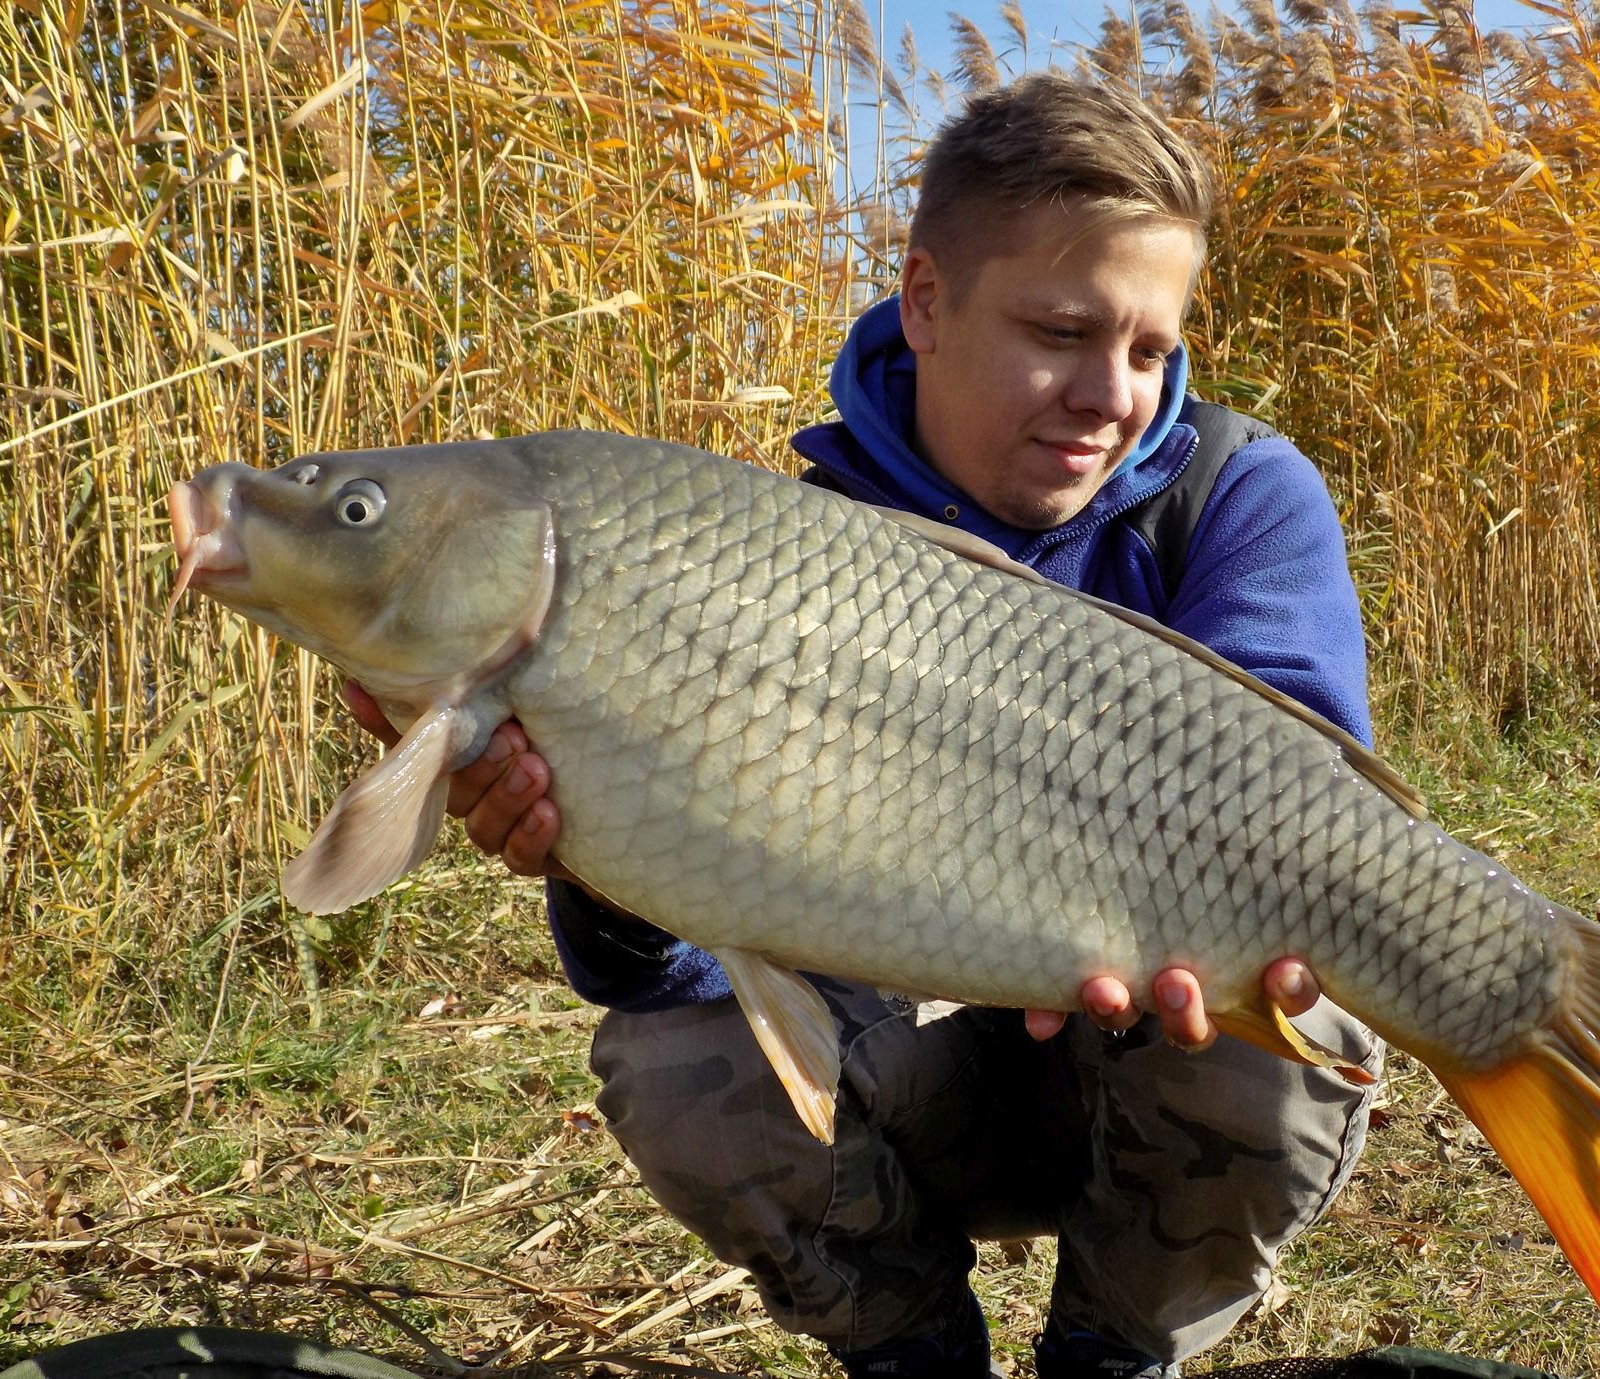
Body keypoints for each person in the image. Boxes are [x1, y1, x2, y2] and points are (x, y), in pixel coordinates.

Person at [348, 72, 1380, 1379]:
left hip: (1142, 1068)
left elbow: (1296, 815)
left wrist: (1235, 940)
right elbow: (680, 973)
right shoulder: (775, 560)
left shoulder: (1233, 495)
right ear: (926, 301)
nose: (1108, 395)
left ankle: (1114, 1364)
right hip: (910, 1085)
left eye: (1149, 349)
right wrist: (595, 867)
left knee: (1290, 1040)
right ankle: (913, 1362)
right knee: (677, 1066)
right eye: (1060, 329)